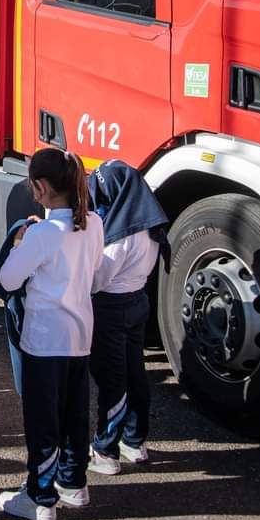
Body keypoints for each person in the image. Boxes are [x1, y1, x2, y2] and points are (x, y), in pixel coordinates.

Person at [0, 147, 104, 520]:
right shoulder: (94, 224)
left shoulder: (42, 234)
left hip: (44, 340)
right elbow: (96, 274)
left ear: (39, 188)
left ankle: (40, 499)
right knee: (75, 415)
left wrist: (21, 242)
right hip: (80, 336)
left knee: (43, 421)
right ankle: (73, 484)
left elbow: (8, 279)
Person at [86, 160, 167, 476]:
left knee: (112, 380)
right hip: (137, 302)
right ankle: (134, 441)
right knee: (135, 373)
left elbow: (97, 280)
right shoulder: (148, 223)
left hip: (111, 309)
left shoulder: (120, 235)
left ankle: (105, 449)